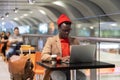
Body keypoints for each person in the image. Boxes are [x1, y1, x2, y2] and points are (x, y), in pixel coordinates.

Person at [41, 14, 86, 80]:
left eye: (68, 30)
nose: (67, 33)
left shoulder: (74, 41)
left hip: (71, 69)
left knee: (82, 77)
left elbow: (79, 55)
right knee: (61, 77)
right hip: (55, 70)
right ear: (59, 28)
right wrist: (59, 58)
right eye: (64, 30)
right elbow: (44, 56)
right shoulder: (51, 40)